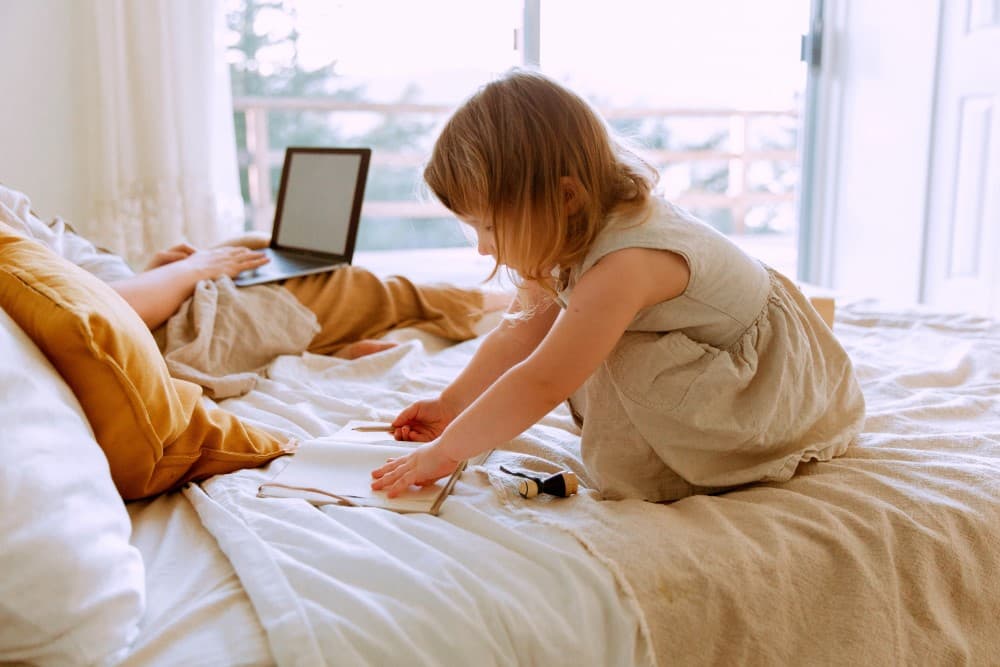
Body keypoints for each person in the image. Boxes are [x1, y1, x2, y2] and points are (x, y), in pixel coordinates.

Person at [371, 69, 866, 502]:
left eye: (491, 229)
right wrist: (451, 406)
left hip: (759, 394)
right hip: (712, 350)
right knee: (573, 333)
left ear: (564, 196)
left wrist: (446, 453)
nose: (483, 248)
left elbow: (543, 379)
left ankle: (680, 471)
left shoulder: (627, 261)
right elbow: (518, 334)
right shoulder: (564, 228)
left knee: (601, 353)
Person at [0, 183, 509, 360]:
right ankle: (493, 302)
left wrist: (149, 272)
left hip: (153, 299)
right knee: (346, 283)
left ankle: (326, 343)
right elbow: (94, 312)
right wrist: (189, 273)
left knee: (257, 246)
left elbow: (79, 284)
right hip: (165, 326)